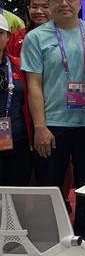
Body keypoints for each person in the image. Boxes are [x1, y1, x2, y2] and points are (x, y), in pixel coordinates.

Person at [21, 0, 85, 239]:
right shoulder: (36, 38)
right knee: (50, 185)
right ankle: (51, 238)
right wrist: (40, 127)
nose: (64, 3)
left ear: (80, 1)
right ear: (49, 2)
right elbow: (34, 85)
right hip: (53, 124)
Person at [0, 16, 31, 185]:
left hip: (17, 140)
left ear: (8, 37)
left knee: (16, 190)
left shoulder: (18, 65)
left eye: (0, 33)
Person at [6, 0, 49, 70]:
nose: (39, 11)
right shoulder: (17, 35)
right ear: (28, 8)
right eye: (34, 7)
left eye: (45, 7)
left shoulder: (61, 36)